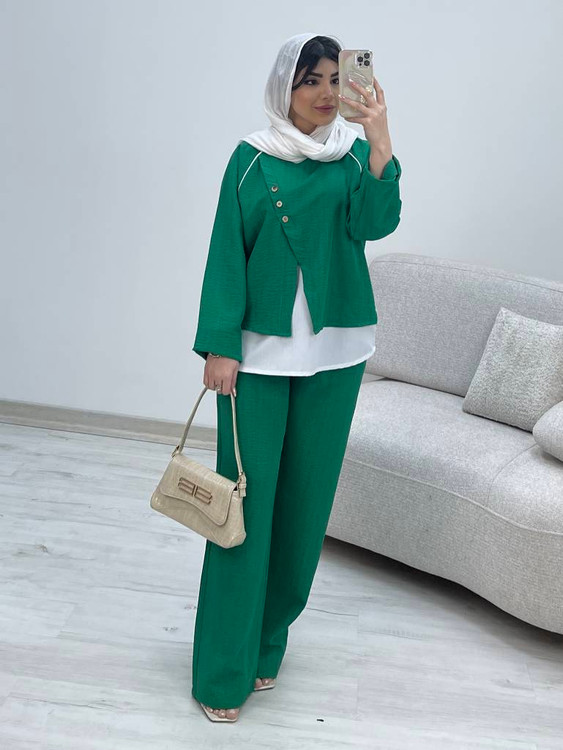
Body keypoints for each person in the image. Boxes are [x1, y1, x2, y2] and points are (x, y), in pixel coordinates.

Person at [190, 31, 402, 722]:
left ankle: (267, 644)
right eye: (310, 79)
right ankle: (221, 672)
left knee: (305, 510)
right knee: (242, 513)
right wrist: (219, 344)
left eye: (335, 79)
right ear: (285, 86)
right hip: (255, 359)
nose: (324, 93)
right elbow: (226, 250)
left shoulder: (351, 157)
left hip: (335, 354)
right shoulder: (251, 158)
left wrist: (379, 140)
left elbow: (377, 223)